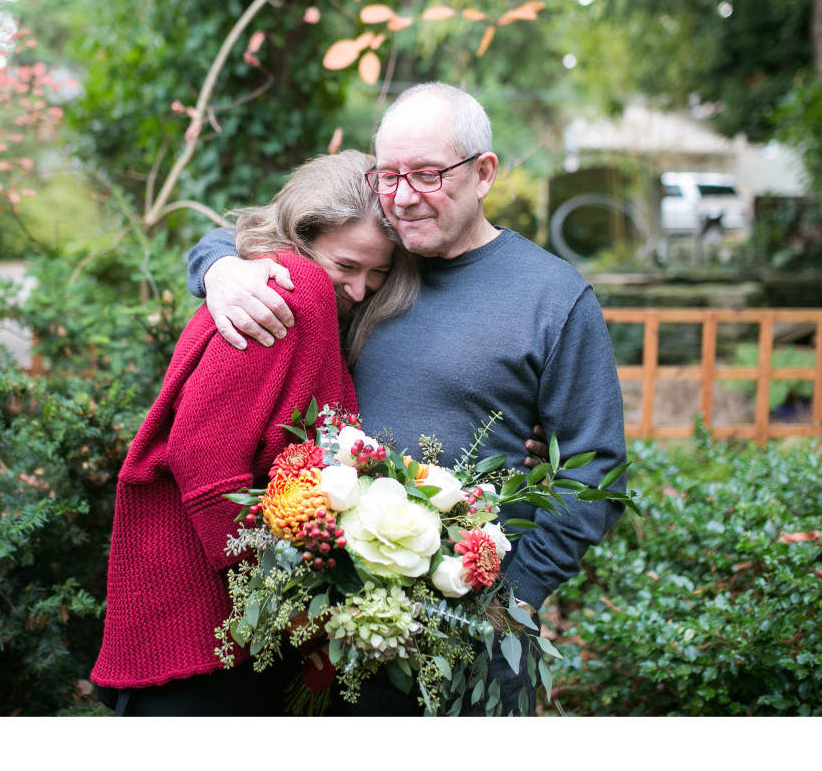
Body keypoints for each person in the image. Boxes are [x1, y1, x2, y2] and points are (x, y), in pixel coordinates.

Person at [186, 82, 627, 715]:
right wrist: (219, 267)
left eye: (427, 174)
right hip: (326, 632)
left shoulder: (551, 297)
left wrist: (506, 601)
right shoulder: (373, 260)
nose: (403, 195)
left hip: (466, 638)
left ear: (483, 173)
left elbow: (596, 467)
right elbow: (272, 230)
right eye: (389, 175)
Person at [90, 150, 417, 716]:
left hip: (218, 614)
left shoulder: (295, 286)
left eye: (379, 273)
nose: (361, 290)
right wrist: (272, 584)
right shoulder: (295, 291)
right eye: (349, 266)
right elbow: (201, 447)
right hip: (205, 610)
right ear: (303, 236)